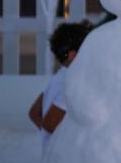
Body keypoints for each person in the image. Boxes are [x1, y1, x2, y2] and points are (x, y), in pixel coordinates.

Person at [28, 21, 92, 152]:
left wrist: (48, 139)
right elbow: (49, 124)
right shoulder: (69, 82)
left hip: (51, 156)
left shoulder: (58, 78)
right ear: (73, 55)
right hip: (63, 160)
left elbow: (34, 113)